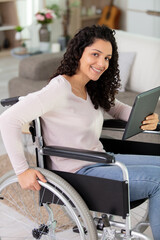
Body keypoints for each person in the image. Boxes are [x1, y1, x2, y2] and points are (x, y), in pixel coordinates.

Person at [0, 25, 159, 239]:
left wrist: (146, 117)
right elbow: (8, 119)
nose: (102, 63)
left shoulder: (92, 87)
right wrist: (22, 170)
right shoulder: (59, 89)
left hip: (102, 161)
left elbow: (119, 108)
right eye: (95, 54)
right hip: (79, 172)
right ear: (78, 53)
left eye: (107, 58)